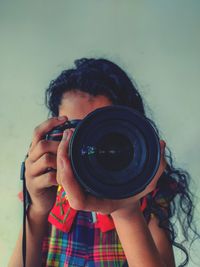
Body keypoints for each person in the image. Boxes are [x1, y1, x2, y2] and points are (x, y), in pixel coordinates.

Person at [9, 58, 197, 267]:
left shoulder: (148, 192)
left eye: (98, 130)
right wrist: (37, 208)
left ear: (130, 132)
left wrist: (126, 210)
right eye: (75, 130)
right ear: (55, 133)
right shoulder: (49, 186)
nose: (85, 144)